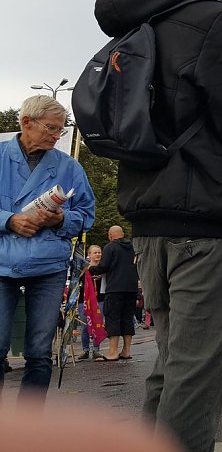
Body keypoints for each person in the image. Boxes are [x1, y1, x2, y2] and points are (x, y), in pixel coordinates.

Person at [90, 0, 222, 449]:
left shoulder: (144, 17)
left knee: (173, 368)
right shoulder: (219, 19)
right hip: (205, 223)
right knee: (197, 381)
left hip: (149, 221)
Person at [0, 95, 96, 402]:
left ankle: (29, 432)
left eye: (60, 129)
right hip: (2, 263)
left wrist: (60, 219)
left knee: (40, 352)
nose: (57, 135)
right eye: (52, 128)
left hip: (48, 266)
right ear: (27, 123)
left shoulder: (69, 167)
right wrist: (9, 220)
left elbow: (86, 215)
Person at [90, 226, 139, 362]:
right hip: (131, 288)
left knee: (113, 318)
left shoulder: (110, 247)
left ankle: (112, 352)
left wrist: (91, 269)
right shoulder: (133, 247)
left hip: (115, 288)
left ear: (110, 235)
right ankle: (126, 350)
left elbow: (104, 266)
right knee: (128, 318)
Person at [78, 245, 105, 360]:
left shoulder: (104, 268)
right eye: (95, 253)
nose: (98, 254)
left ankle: (96, 349)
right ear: (89, 254)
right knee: (85, 325)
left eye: (99, 252)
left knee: (98, 323)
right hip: (85, 301)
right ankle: (85, 350)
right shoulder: (83, 268)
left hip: (100, 300)